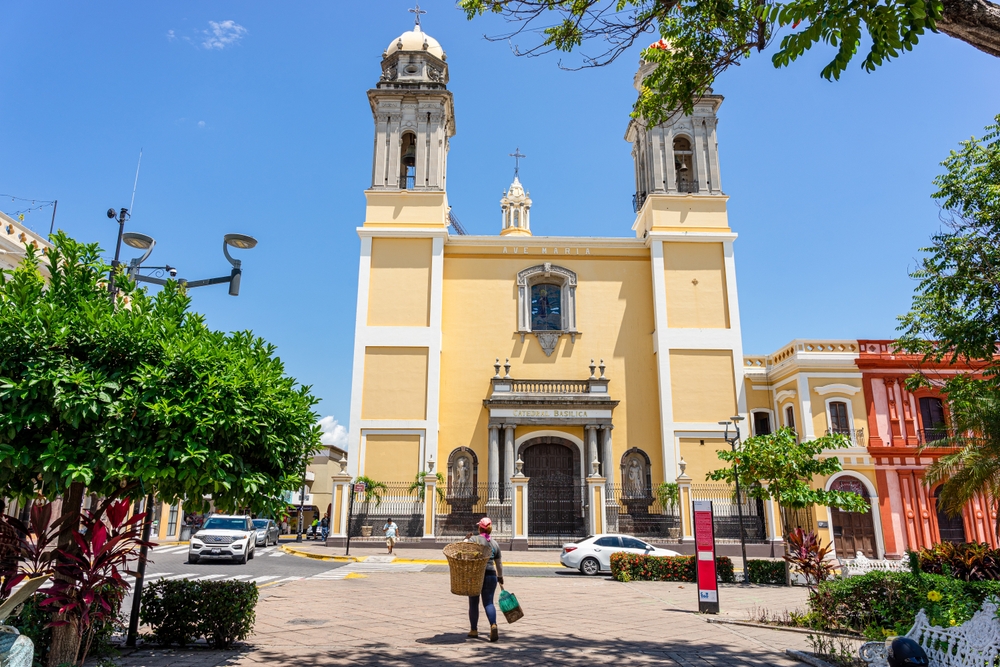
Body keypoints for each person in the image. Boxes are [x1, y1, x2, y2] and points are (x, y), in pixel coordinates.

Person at [465, 517, 503, 642]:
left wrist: (467, 537)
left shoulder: (474, 539)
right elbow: (499, 564)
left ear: (480, 527)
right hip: (491, 575)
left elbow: (462, 548)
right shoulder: (495, 543)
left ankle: (474, 630)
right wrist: (500, 577)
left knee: (473, 602)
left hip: (476, 575)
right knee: (489, 602)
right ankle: (493, 624)